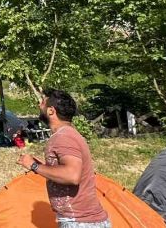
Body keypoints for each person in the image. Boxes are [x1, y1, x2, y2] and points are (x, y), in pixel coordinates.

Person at [17, 89, 110, 228]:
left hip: (80, 222)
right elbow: (67, 170)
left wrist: (34, 166)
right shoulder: (68, 134)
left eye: (42, 102)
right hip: (82, 221)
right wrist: (41, 166)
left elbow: (72, 175)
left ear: (51, 111)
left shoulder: (63, 137)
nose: (39, 105)